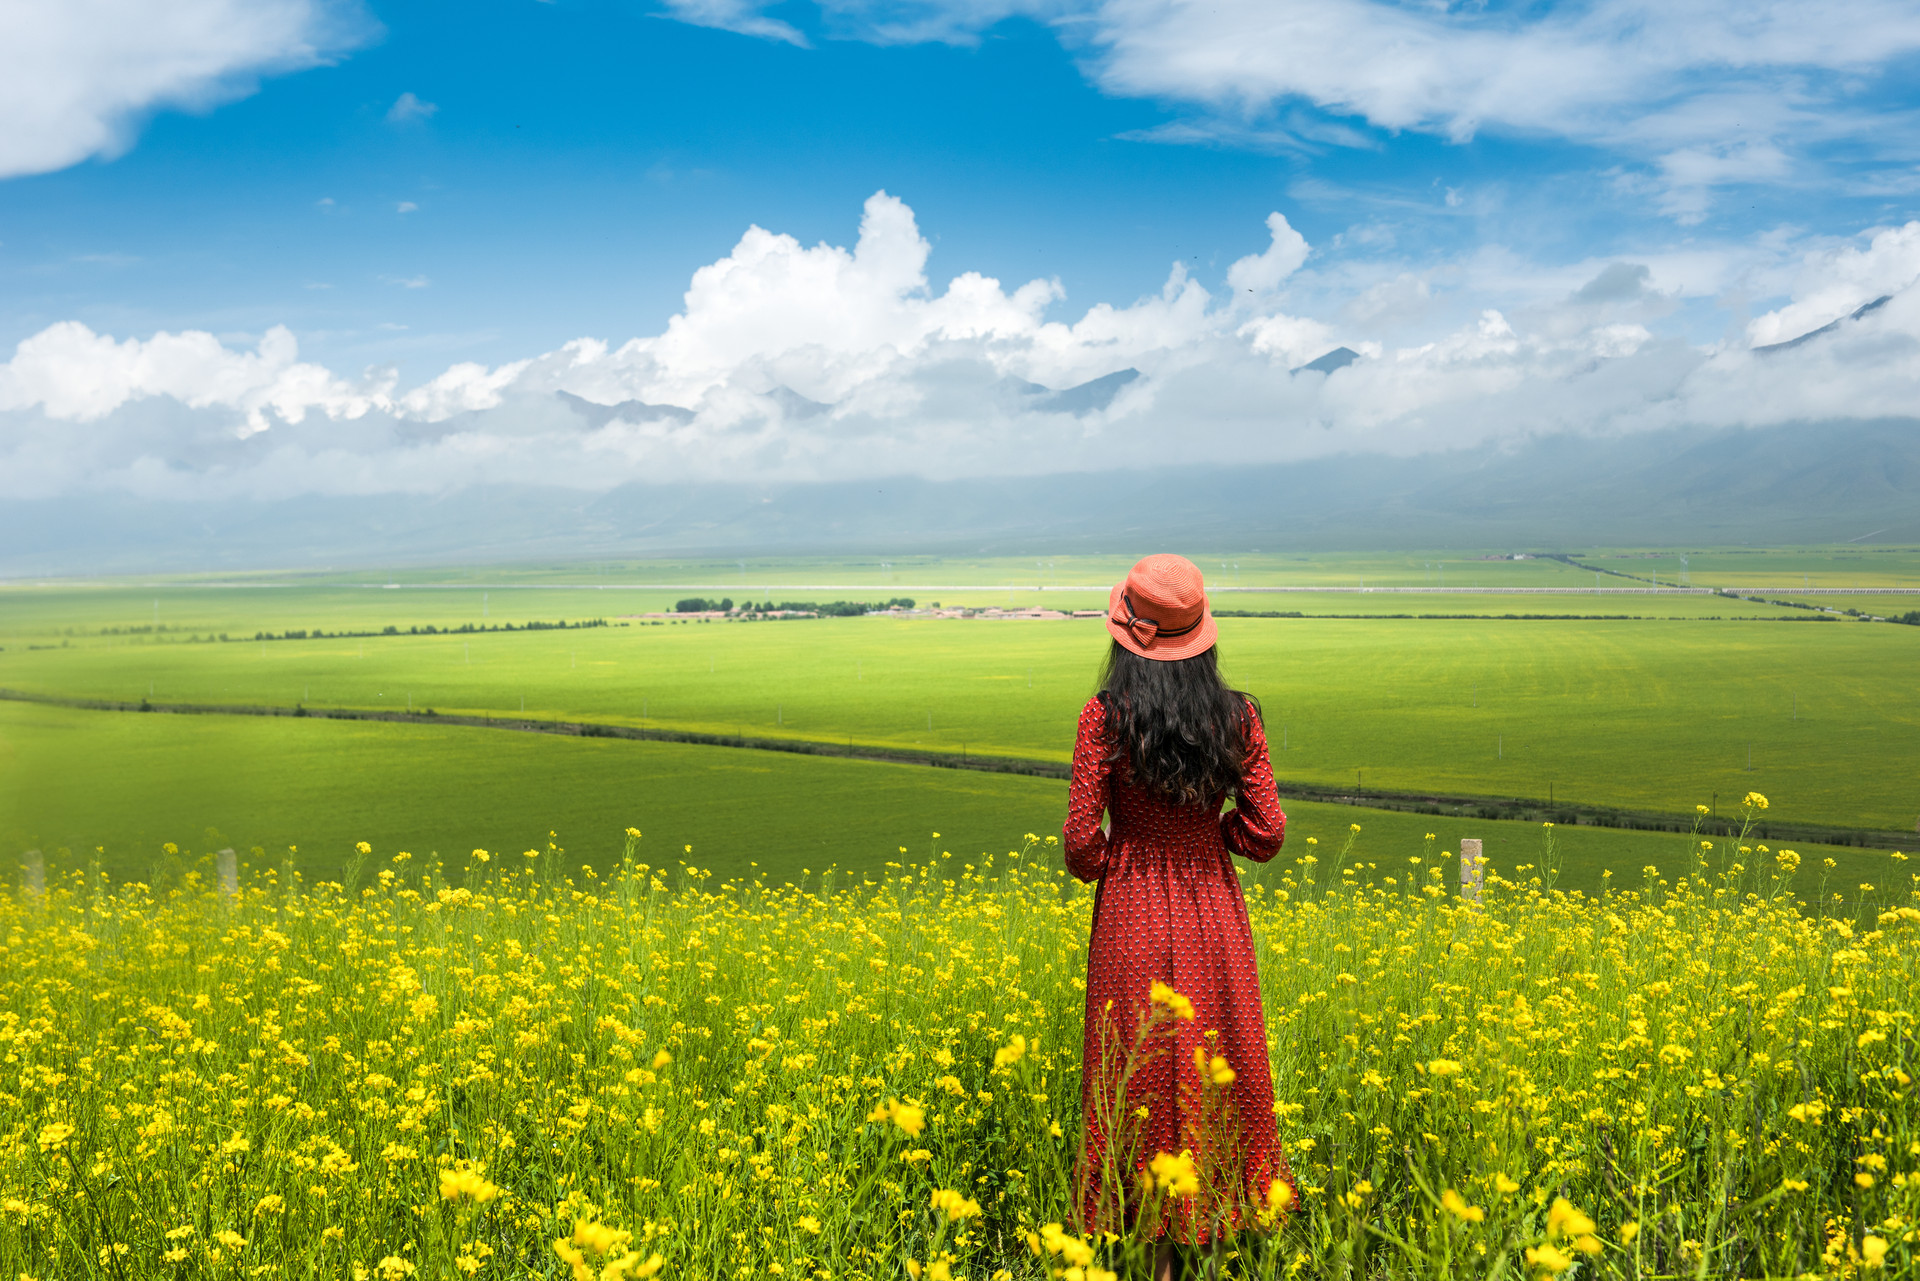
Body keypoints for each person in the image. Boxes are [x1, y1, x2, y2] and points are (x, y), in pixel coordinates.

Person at [1063, 553, 1295, 1278]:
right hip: (1210, 910)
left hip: (1131, 909)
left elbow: (1078, 843)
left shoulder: (1104, 716)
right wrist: (1208, 839)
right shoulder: (1239, 715)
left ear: (1129, 638)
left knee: (1136, 1069)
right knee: (1217, 1064)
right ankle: (1211, 1232)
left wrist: (1120, 857)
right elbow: (1268, 831)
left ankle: (1150, 1249)